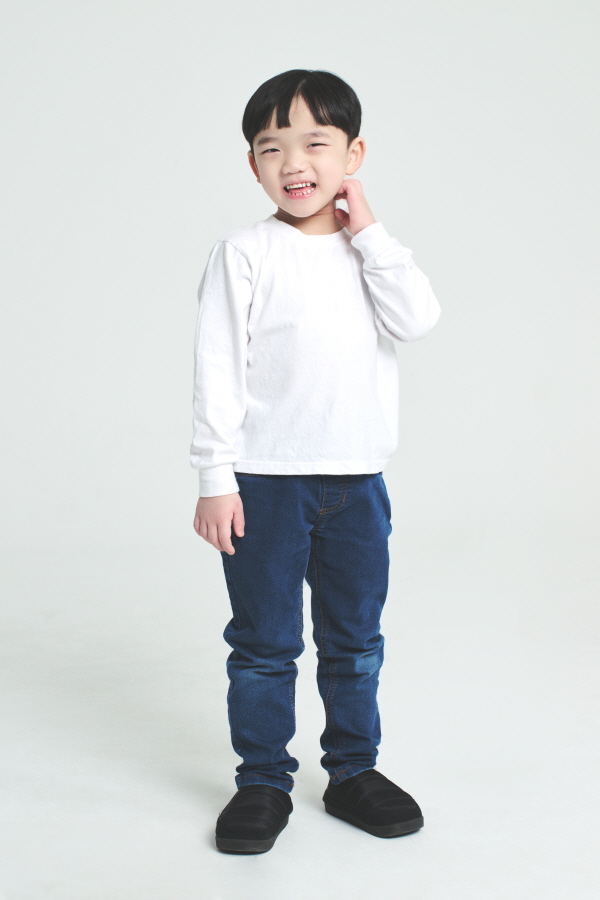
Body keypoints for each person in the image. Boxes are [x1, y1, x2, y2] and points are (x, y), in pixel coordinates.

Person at [190, 69, 441, 854]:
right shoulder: (243, 253)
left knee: (355, 640)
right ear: (253, 165)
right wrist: (215, 478)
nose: (294, 163)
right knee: (264, 645)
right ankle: (263, 780)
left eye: (315, 144)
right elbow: (217, 368)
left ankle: (353, 771)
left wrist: (370, 234)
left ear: (352, 155)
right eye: (272, 148)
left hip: (357, 482)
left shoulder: (372, 254)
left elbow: (418, 319)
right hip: (265, 484)